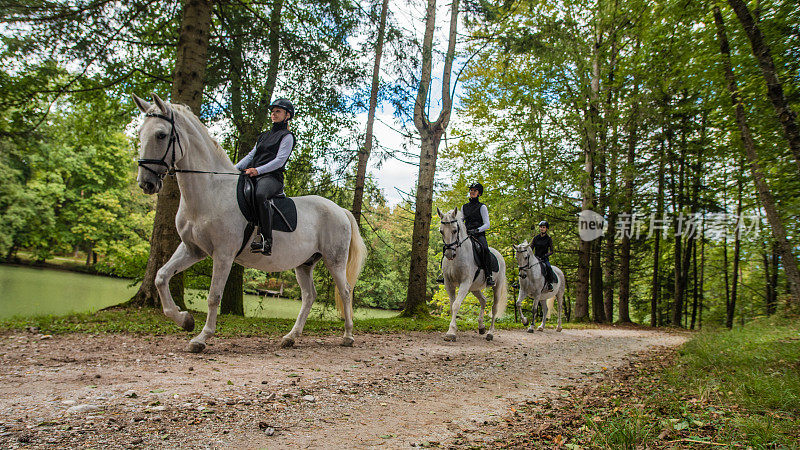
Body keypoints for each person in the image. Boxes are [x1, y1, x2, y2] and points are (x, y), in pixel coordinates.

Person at [235, 98, 296, 255]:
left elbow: (280, 160)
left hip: (272, 178)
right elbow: (251, 156)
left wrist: (258, 170)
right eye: (273, 111)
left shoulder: (287, 136)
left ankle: (266, 241)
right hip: (254, 174)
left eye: (278, 111)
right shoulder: (263, 136)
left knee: (260, 194)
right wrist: (232, 169)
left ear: (287, 115)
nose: (274, 114)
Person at [463, 182, 494, 286]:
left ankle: (489, 275)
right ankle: (444, 274)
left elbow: (487, 224)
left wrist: (476, 230)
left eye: (474, 190)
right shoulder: (464, 207)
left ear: (479, 194)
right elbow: (461, 220)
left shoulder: (482, 207)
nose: (472, 192)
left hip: (478, 234)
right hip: (466, 234)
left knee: (485, 249)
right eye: (471, 190)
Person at [531, 220, 556, 291]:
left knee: (548, 267)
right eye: (541, 227)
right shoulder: (535, 238)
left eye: (543, 227)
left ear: (546, 229)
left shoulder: (549, 239)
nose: (542, 228)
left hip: (544, 258)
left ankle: (549, 284)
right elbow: (531, 248)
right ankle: (519, 283)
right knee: (525, 266)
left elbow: (552, 251)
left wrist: (546, 255)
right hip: (535, 258)